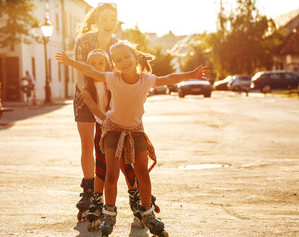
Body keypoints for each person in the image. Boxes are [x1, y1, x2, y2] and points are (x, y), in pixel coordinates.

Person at [55, 40, 210, 237]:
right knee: (111, 172)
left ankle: (148, 213)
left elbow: (170, 77)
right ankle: (109, 213)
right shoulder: (112, 78)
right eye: (118, 59)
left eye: (127, 56)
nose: (123, 61)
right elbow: (92, 71)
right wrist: (70, 62)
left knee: (142, 172)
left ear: (135, 57)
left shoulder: (147, 79)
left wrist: (191, 75)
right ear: (115, 64)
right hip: (112, 129)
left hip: (136, 129)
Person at [80, 49, 139, 230]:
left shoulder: (114, 82)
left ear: (107, 66)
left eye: (100, 63)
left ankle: (137, 200)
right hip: (103, 128)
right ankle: (97, 203)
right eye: (92, 64)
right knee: (102, 166)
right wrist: (108, 123)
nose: (96, 66)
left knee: (125, 163)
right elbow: (94, 108)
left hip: (122, 127)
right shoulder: (86, 89)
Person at [72, 2, 120, 220]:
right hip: (85, 94)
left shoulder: (117, 43)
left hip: (109, 97)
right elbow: (80, 70)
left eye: (113, 18)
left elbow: (120, 73)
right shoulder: (84, 41)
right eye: (105, 18)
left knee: (105, 145)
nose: (109, 23)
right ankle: (88, 189)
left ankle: (104, 190)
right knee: (86, 143)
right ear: (97, 20)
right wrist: (86, 93)